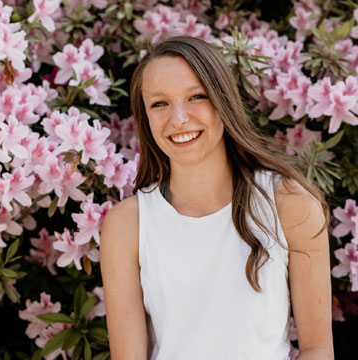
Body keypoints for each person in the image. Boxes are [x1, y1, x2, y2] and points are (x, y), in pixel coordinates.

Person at [100, 35, 334, 360]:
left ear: (223, 101)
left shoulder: (290, 205)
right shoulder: (127, 224)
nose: (178, 118)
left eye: (196, 96)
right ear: (145, 117)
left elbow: (318, 349)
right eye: (159, 103)